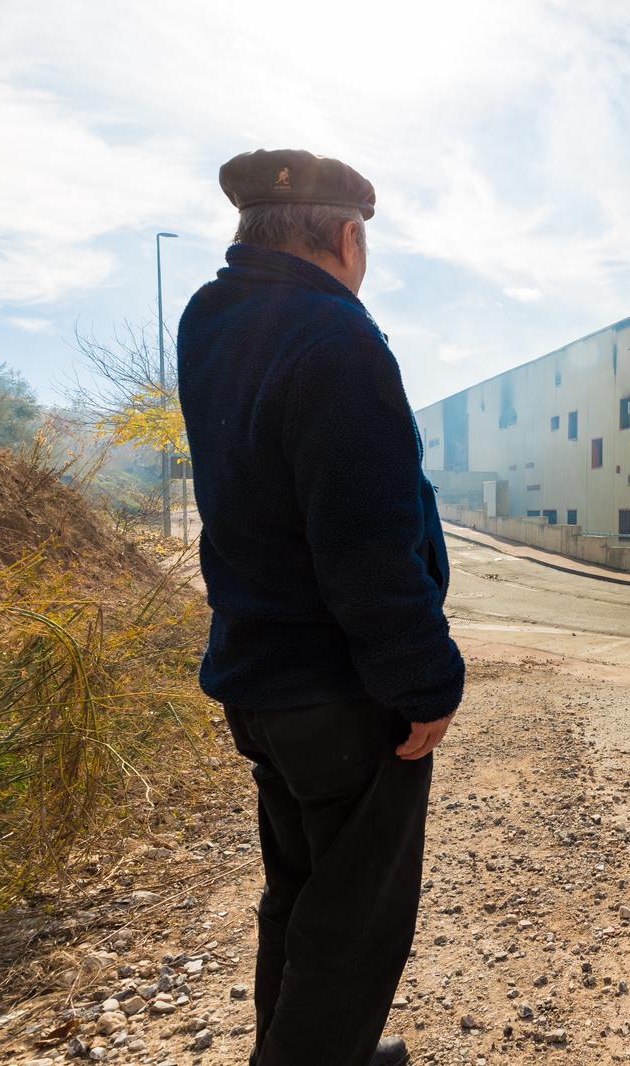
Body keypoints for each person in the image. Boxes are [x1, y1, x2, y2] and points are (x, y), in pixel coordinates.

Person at [177, 148, 465, 1066]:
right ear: (347, 237)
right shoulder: (337, 340)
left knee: (301, 894)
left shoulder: (211, 323)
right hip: (340, 691)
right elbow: (365, 539)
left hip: (261, 679)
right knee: (354, 929)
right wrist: (424, 679)